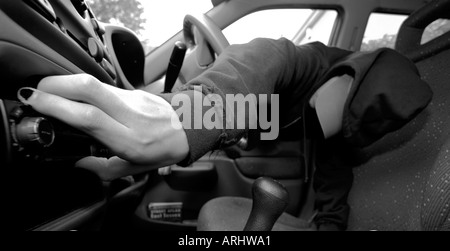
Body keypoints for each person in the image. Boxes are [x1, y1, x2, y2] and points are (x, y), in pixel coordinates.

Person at [17, 38, 432, 231]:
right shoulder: (311, 63)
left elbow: (332, 178)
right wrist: (186, 115)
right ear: (346, 73)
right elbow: (267, 56)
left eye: (339, 126)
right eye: (334, 106)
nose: (325, 125)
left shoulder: (335, 128)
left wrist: (328, 229)